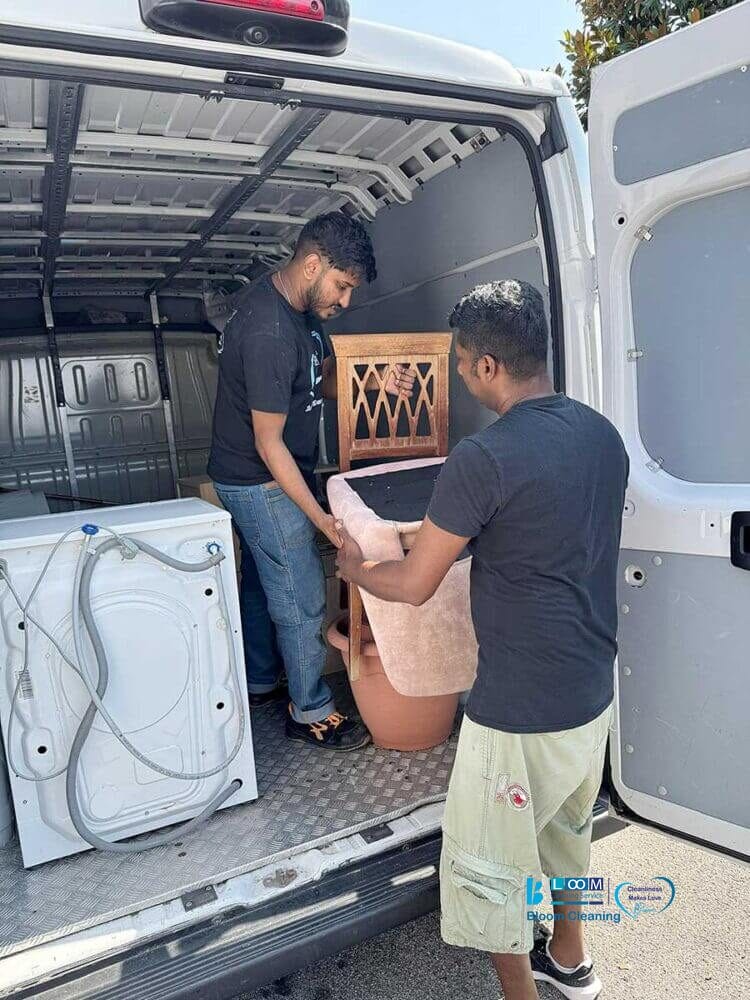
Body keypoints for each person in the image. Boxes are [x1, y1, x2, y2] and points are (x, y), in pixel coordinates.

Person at [335, 279, 628, 999]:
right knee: (567, 838)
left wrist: (355, 565)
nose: (462, 377)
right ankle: (570, 959)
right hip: (590, 690)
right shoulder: (603, 435)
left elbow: (414, 584)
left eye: (463, 364)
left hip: (517, 708)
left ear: (489, 366)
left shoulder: (483, 458)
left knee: (488, 875)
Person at [208, 212, 415, 752]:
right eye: (342, 286)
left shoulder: (300, 312)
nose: (345, 301)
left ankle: (259, 681)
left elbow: (315, 378)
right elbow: (268, 441)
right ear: (312, 264)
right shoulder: (270, 330)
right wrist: (319, 516)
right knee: (300, 593)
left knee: (262, 577)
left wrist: (371, 380)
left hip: (259, 471)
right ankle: (311, 709)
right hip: (258, 479)